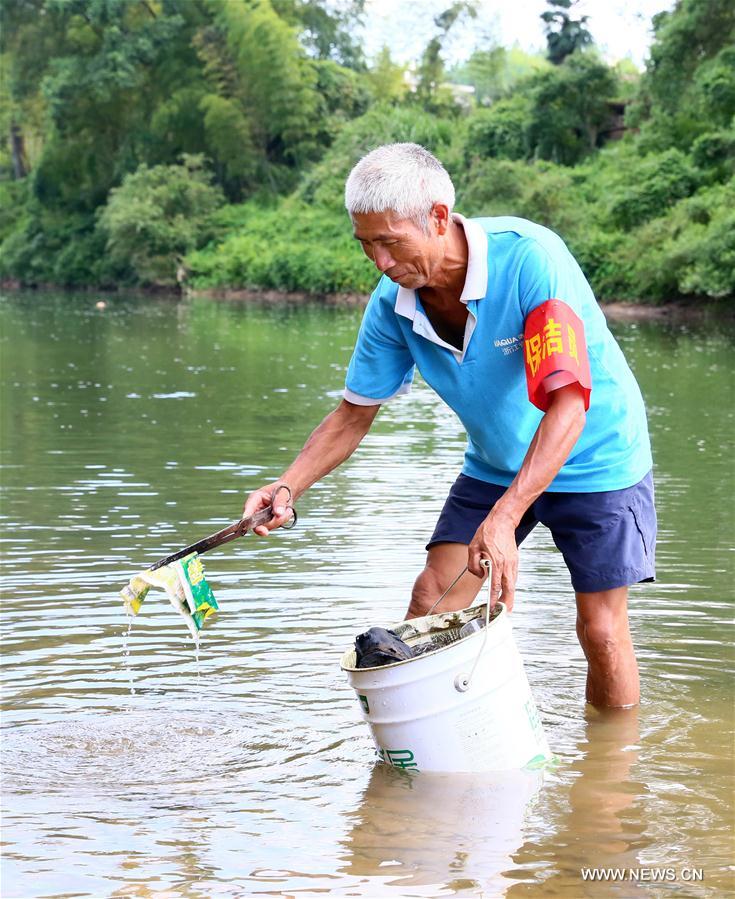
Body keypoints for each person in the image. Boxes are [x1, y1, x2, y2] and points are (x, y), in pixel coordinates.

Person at [243, 143, 656, 709]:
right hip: (496, 460)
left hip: (595, 454)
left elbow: (567, 406)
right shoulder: (394, 305)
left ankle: (609, 781)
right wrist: (287, 486)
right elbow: (353, 415)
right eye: (366, 245)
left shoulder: (531, 261)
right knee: (433, 599)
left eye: (390, 241)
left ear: (438, 218)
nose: (380, 263)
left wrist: (505, 518)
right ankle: (433, 752)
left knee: (602, 631)